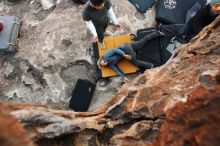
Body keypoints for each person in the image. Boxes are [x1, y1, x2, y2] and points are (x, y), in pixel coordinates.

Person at [97, 31, 165, 81]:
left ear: (102, 60)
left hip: (125, 48)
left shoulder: (106, 55)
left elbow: (115, 50)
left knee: (134, 62)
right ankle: (157, 33)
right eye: (102, 65)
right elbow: (117, 70)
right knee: (141, 42)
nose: (103, 64)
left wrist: (124, 55)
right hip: (128, 49)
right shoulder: (111, 65)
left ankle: (150, 65)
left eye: (101, 63)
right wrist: (124, 77)